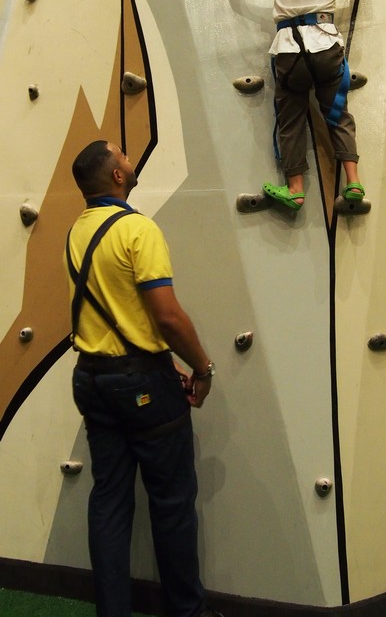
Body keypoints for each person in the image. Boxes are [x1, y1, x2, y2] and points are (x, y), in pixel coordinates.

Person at [65, 140, 220, 617]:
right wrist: (202, 367)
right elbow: (167, 317)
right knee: (172, 503)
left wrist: (154, 362)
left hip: (92, 380)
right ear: (116, 176)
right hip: (142, 388)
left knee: (109, 500)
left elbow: (117, 313)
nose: (129, 160)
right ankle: (186, 613)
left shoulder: (77, 230)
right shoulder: (137, 229)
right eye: (122, 155)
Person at [219, 0, 372, 210]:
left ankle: (296, 189)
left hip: (290, 53)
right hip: (327, 48)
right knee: (339, 115)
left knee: (291, 121)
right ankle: (353, 181)